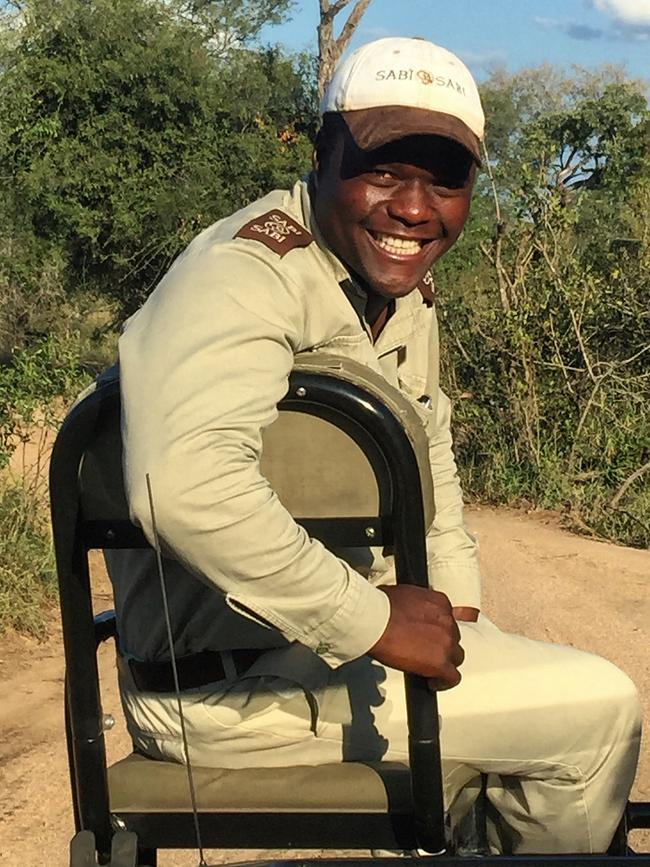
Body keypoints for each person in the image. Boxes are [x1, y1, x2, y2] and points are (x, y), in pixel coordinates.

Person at [107, 37, 641, 854]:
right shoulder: (246, 274)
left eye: (445, 178)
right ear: (322, 156)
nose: (414, 208)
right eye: (385, 170)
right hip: (225, 695)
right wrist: (369, 619)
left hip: (326, 667)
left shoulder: (398, 292)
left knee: (521, 681)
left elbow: (430, 459)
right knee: (599, 710)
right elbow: (182, 486)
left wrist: (456, 609)